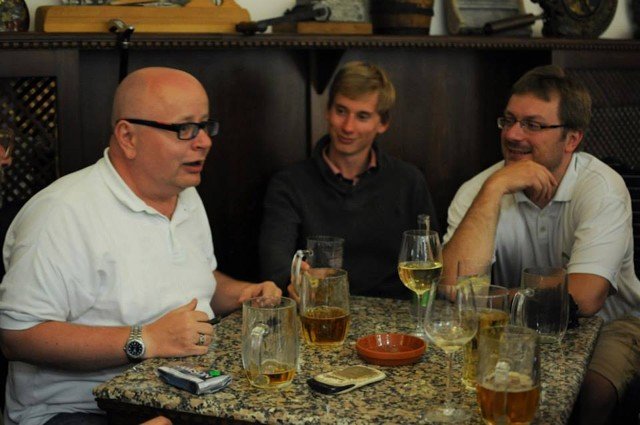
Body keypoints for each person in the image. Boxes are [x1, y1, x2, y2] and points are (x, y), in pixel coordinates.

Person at [0, 67, 280, 425]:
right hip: (78, 410)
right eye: (184, 128)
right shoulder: (60, 213)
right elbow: (18, 336)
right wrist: (144, 339)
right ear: (128, 137)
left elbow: (196, 279)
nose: (204, 142)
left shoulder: (185, 195)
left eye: (204, 126)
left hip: (178, 394)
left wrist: (242, 294)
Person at [442, 65, 640, 425]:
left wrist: (493, 297)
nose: (512, 134)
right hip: (512, 327)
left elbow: (585, 298)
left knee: (591, 388)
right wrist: (494, 189)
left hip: (611, 324)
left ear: (572, 139)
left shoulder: (602, 188)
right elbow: (455, 286)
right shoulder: (480, 189)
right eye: (509, 120)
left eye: (532, 125)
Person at [259, 61, 438, 299]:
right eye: (341, 111)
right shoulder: (289, 184)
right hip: (321, 308)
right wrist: (294, 279)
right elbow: (276, 268)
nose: (348, 127)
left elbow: (429, 261)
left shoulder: (409, 181)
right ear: (327, 111)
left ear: (383, 123)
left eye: (362, 116)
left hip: (396, 312)